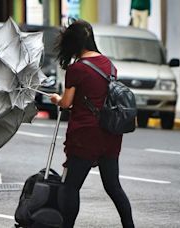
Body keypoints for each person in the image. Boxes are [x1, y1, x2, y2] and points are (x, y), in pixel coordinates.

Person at [50, 20, 135, 228]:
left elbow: (67, 103)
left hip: (85, 135)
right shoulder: (109, 64)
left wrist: (56, 99)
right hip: (110, 133)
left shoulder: (76, 69)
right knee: (113, 186)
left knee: (71, 187)